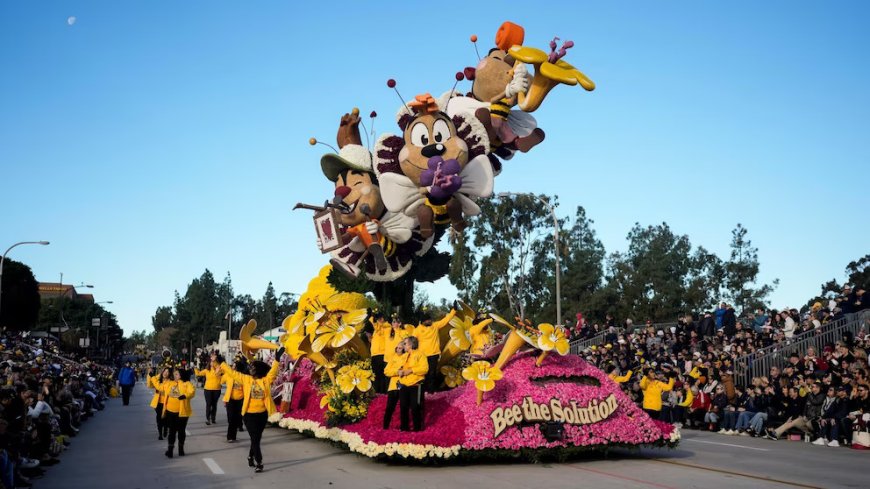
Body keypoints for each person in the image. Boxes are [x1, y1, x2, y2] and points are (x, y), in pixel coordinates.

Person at [219, 348, 282, 473]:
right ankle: (259, 462)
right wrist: (222, 363)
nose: (251, 369)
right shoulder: (246, 379)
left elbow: (273, 372)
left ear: (259, 370)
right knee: (255, 438)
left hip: (262, 415)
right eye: (250, 367)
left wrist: (277, 359)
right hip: (249, 415)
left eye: (253, 367)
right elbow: (232, 373)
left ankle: (250, 456)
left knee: (256, 439)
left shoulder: (265, 381)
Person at [413, 309, 455, 393]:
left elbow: (445, 320)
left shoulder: (435, 326)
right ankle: (423, 390)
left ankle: (431, 391)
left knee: (432, 373)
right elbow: (412, 341)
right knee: (424, 373)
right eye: (428, 320)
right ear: (423, 321)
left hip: (434, 354)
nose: (430, 321)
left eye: (430, 319)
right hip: (423, 355)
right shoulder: (417, 330)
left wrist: (454, 311)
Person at [395, 336, 429, 431]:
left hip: (415, 385)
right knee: (403, 407)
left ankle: (417, 429)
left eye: (405, 343)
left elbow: (425, 369)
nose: (403, 345)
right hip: (403, 385)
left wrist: (411, 371)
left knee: (415, 407)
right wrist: (399, 371)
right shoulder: (405, 355)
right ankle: (404, 428)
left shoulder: (420, 354)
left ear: (410, 344)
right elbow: (399, 367)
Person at [161, 368, 195, 458]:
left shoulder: (186, 384)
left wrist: (185, 395)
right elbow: (161, 388)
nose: (174, 375)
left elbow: (192, 392)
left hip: (182, 412)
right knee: (171, 431)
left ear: (181, 375)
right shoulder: (170, 383)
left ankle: (181, 449)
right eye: (174, 374)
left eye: (177, 374)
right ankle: (170, 450)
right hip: (170, 411)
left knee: (181, 430)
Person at [222, 357, 247, 443]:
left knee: (236, 418)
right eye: (232, 366)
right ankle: (230, 436)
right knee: (231, 419)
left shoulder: (243, 377)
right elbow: (220, 380)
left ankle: (233, 436)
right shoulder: (228, 375)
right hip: (230, 400)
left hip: (240, 400)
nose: (232, 367)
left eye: (234, 366)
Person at [382, 341, 406, 429]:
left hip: (404, 385)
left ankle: (403, 428)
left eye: (400, 348)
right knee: (389, 408)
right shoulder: (393, 357)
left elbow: (405, 369)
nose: (398, 350)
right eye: (397, 348)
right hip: (393, 386)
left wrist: (399, 370)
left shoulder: (406, 357)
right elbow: (386, 371)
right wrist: (397, 371)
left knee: (404, 407)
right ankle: (385, 427)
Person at [194, 354, 223, 425]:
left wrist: (214, 361)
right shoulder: (206, 370)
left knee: (214, 404)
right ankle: (208, 418)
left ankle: (213, 418)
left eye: (214, 361)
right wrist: (195, 368)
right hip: (207, 390)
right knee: (208, 404)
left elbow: (219, 370)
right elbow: (198, 374)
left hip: (217, 389)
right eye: (211, 361)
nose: (212, 363)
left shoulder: (219, 369)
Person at [148, 366, 172, 440]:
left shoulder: (170, 382)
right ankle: (160, 434)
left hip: (167, 403)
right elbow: (150, 385)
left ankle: (165, 428)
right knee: (159, 418)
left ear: (170, 374)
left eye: (167, 372)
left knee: (166, 419)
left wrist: (153, 378)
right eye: (164, 371)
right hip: (158, 403)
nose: (165, 373)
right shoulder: (158, 379)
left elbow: (160, 388)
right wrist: (149, 375)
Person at [369, 313, 389, 394]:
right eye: (378, 318)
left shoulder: (387, 327)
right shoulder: (376, 328)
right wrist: (372, 316)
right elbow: (371, 323)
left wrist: (378, 323)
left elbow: (381, 327)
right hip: (374, 354)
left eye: (381, 318)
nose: (379, 320)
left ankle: (383, 391)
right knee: (376, 374)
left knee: (382, 374)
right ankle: (377, 391)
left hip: (382, 353)